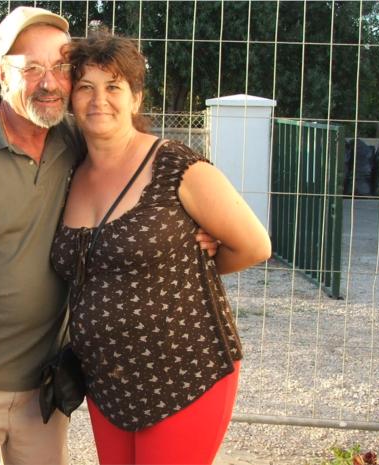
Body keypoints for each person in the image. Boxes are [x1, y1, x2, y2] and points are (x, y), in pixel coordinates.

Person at [0, 6, 219, 465]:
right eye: (31, 68)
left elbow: (133, 166)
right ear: (1, 73)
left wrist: (192, 224)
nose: (50, 83)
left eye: (59, 67)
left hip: (44, 385)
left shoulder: (72, 140)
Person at [51, 31, 272, 465]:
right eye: (86, 87)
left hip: (184, 371)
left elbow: (254, 245)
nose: (99, 100)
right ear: (72, 98)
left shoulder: (174, 165)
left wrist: (198, 261)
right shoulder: (69, 172)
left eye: (113, 87)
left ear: (135, 98)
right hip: (108, 381)